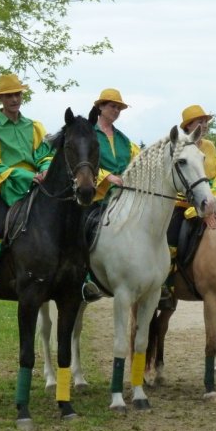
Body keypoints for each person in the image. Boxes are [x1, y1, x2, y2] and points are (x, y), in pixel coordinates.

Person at [0, 74, 54, 310]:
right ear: (0, 98)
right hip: (6, 186)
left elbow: (45, 154)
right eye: (8, 96)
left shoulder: (34, 127)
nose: (14, 99)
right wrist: (26, 175)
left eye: (17, 94)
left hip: (37, 186)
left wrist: (45, 168)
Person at [160, 104, 216, 309]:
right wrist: (192, 203)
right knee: (172, 239)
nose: (204, 125)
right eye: (200, 121)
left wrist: (213, 198)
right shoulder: (179, 147)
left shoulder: (210, 147)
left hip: (209, 203)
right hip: (182, 205)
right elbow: (174, 179)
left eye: (206, 121)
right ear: (189, 126)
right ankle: (166, 285)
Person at [84, 88, 141, 300]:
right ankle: (85, 279)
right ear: (100, 107)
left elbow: (138, 163)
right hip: (96, 198)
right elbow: (83, 164)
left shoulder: (124, 140)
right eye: (112, 106)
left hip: (125, 198)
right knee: (83, 229)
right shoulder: (88, 134)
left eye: (119, 108)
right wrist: (107, 177)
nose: (116, 110)